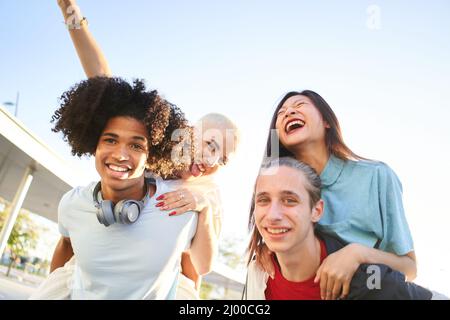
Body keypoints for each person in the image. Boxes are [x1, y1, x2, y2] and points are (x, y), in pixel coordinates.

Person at [30, 76, 211, 299]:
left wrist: (206, 208)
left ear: (151, 155)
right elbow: (66, 245)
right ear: (93, 144)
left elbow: (193, 270)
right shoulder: (72, 204)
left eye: (136, 145)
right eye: (110, 140)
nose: (120, 155)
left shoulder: (177, 209)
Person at [254, 90, 417, 300]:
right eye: (282, 112)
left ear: (327, 122)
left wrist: (357, 254)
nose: (289, 112)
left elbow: (409, 269)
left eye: (300, 105)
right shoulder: (274, 189)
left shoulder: (377, 176)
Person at [245, 157, 434, 300]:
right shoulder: (258, 273)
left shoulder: (367, 281)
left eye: (290, 200)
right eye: (263, 200)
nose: (273, 215)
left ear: (316, 211)